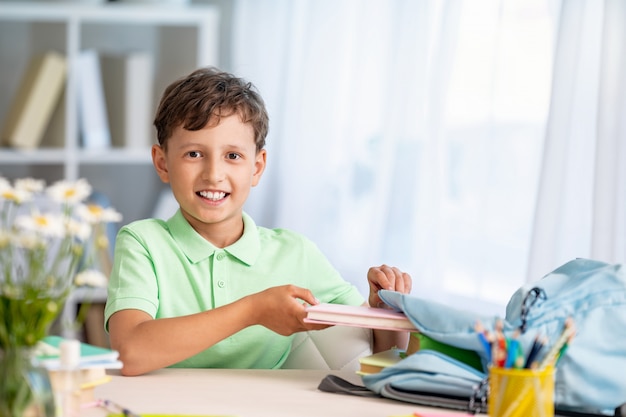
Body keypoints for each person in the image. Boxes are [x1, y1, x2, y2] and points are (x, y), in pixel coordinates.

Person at [104, 67, 412, 376]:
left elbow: (381, 357)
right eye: (194, 154)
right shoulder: (143, 241)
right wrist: (253, 310)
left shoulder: (295, 252)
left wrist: (385, 314)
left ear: (257, 166)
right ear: (162, 163)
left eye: (233, 156)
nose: (213, 174)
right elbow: (129, 352)